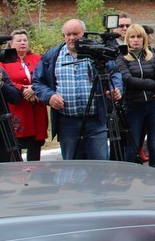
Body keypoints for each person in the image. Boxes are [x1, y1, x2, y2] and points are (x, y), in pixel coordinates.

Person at [33, 19, 123, 160]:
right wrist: (49, 97)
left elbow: (115, 72)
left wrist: (116, 89)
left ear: (84, 33)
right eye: (68, 34)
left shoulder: (97, 52)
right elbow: (38, 82)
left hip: (96, 121)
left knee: (100, 166)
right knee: (72, 169)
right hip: (67, 123)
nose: (72, 37)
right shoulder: (52, 56)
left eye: (76, 33)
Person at [115, 24, 155, 166]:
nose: (136, 40)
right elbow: (128, 80)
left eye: (139, 37)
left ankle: (154, 172)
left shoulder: (152, 56)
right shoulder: (122, 58)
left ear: (144, 39)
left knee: (154, 145)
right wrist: (152, 84)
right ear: (127, 39)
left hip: (154, 105)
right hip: (134, 106)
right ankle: (129, 174)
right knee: (133, 145)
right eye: (132, 37)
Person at [0, 29, 49, 161]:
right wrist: (23, 89)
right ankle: (16, 178)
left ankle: (35, 175)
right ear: (10, 44)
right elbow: (3, 80)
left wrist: (34, 89)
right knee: (16, 146)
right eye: (19, 40)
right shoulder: (3, 61)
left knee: (35, 146)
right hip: (17, 108)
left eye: (25, 40)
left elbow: (46, 77)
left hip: (36, 107)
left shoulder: (37, 58)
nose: (22, 43)